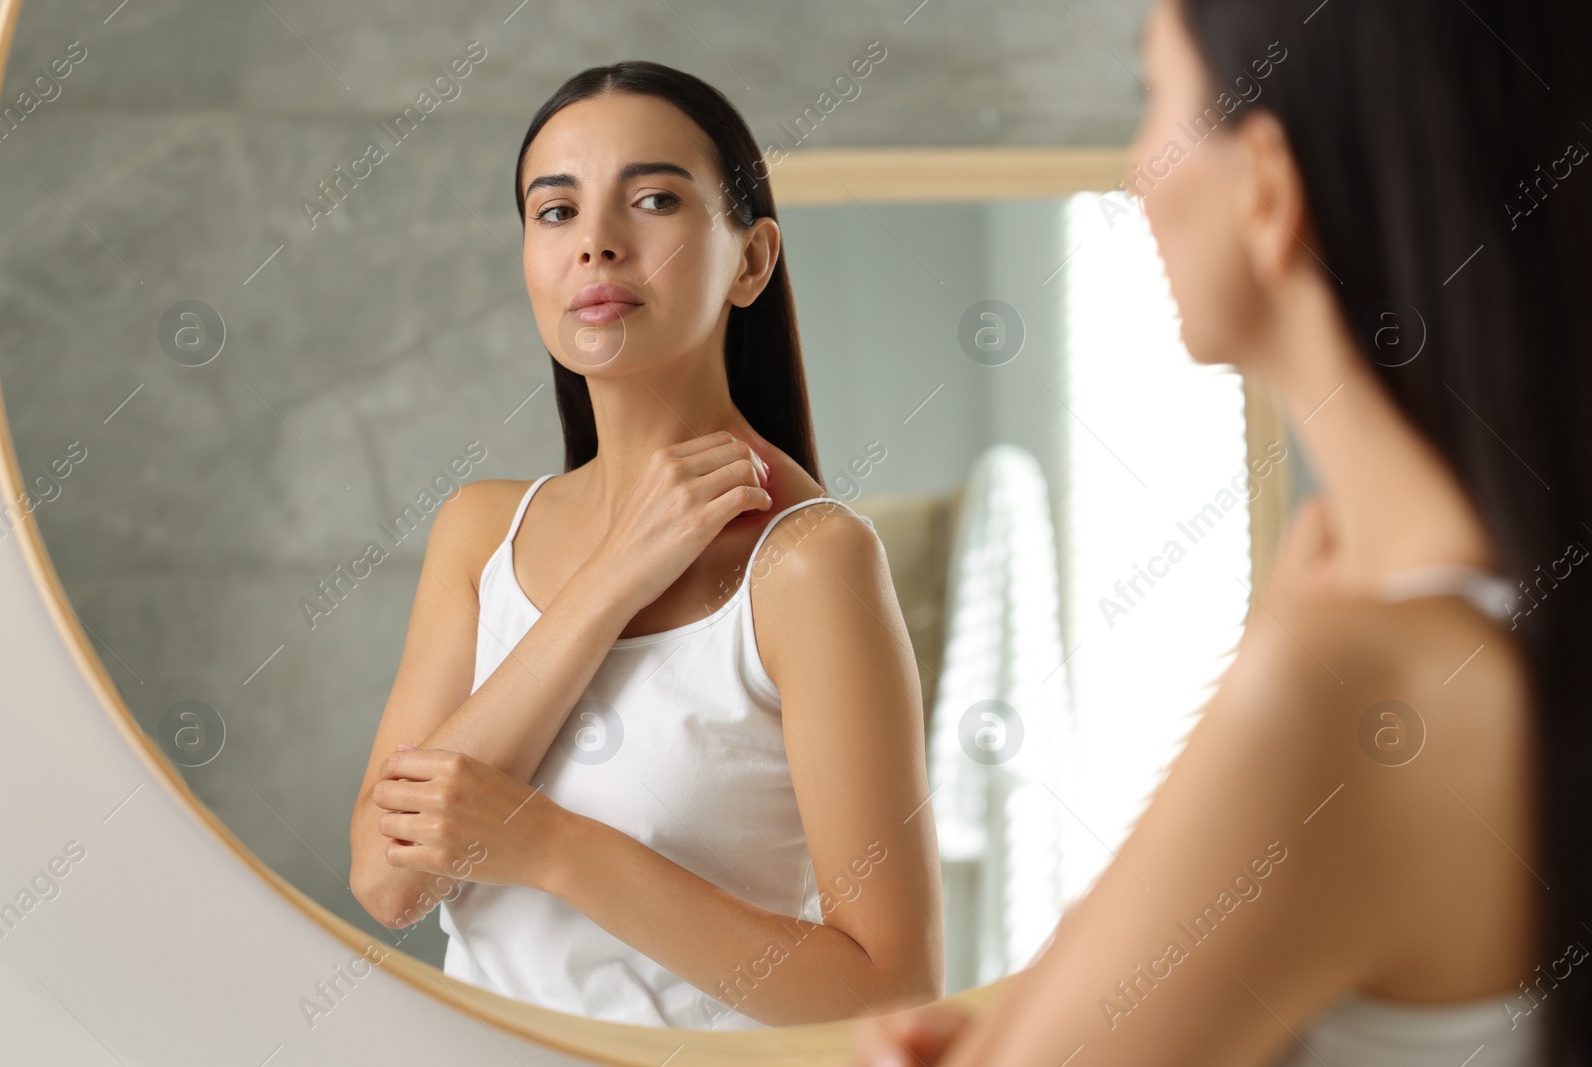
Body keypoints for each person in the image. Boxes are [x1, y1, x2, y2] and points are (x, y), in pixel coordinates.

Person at [857, 0, 1591, 1064]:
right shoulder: (1485, 627)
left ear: (1267, 188)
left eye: (1155, 98)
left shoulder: (1348, 690)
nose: (1135, 166)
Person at [347, 61, 944, 1030]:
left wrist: (550, 847)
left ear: (750, 261)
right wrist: (612, 578)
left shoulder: (808, 563)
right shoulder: (478, 531)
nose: (596, 244)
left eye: (654, 199)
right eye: (555, 211)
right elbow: (386, 878)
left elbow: (890, 989)